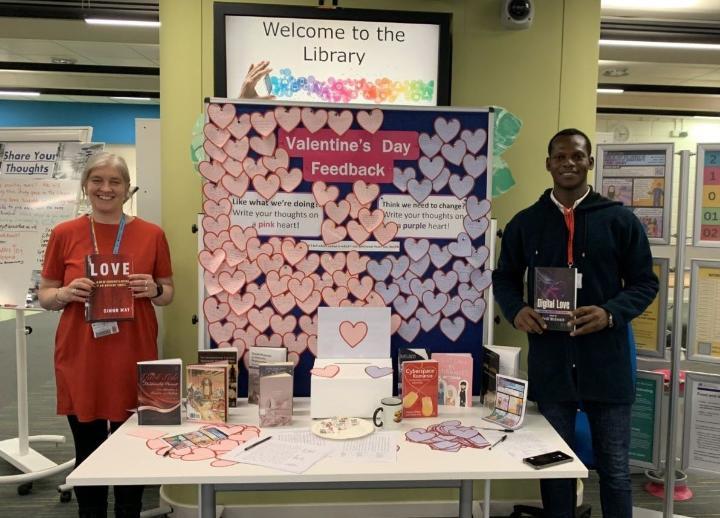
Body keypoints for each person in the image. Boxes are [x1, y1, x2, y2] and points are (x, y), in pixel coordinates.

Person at [492, 129, 658, 518]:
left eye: (578, 156)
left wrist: (610, 312)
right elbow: (504, 276)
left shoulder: (619, 220)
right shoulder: (526, 223)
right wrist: (517, 309)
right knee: (555, 467)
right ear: (548, 164)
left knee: (615, 470)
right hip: (552, 365)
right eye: (561, 156)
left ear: (590, 163)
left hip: (607, 365)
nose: (569, 163)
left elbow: (644, 282)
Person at [38, 152, 174, 518]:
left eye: (115, 182)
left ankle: (129, 511)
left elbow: (168, 291)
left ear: (127, 189)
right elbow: (45, 294)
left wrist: (154, 289)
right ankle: (91, 511)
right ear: (86, 186)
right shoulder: (64, 233)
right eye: (97, 180)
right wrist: (65, 294)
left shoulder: (151, 234)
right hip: (83, 357)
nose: (106, 188)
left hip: (136, 355)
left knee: (134, 445)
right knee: (89, 447)